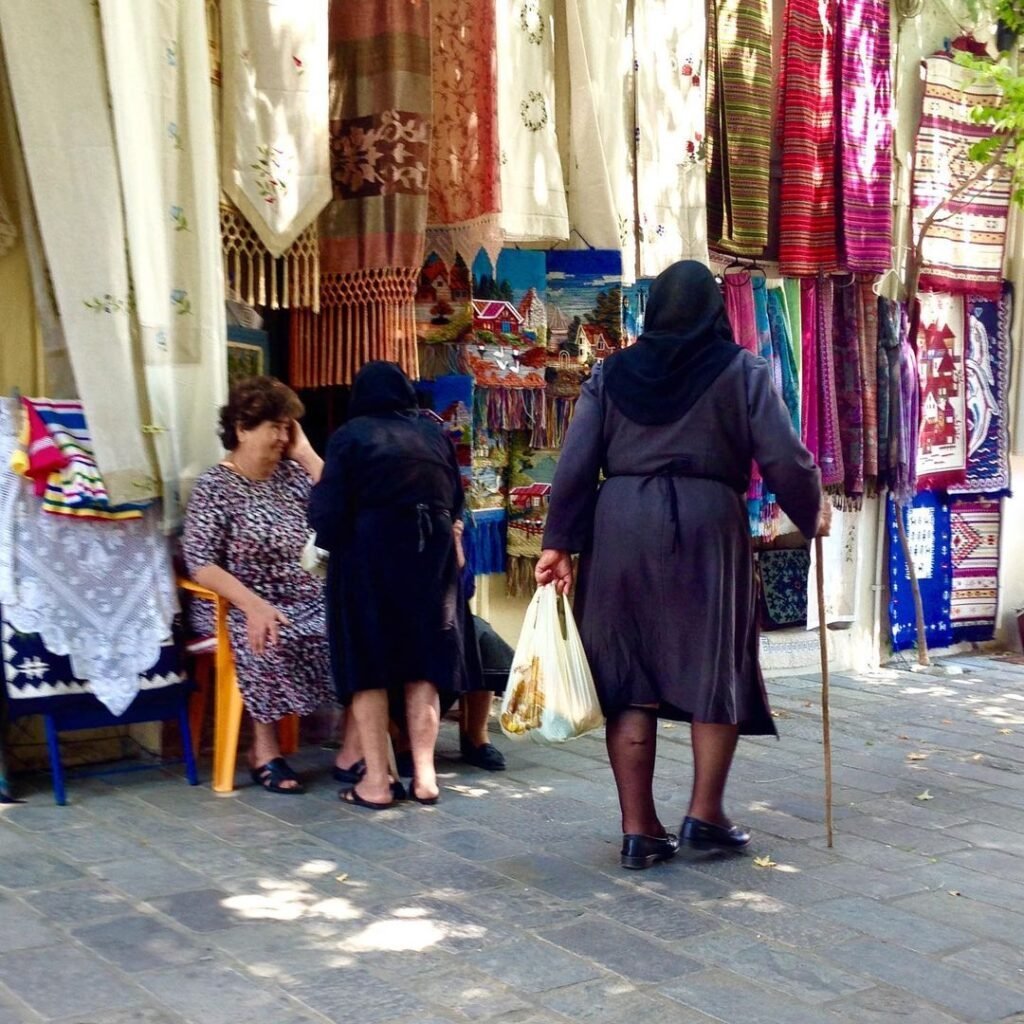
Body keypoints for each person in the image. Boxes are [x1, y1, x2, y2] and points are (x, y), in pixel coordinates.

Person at [536, 260, 829, 870]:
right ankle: (705, 814)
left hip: (621, 524)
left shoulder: (611, 374)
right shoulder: (741, 370)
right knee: (713, 661)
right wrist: (811, 510)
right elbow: (783, 453)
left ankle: (639, 829)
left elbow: (575, 461)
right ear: (714, 311)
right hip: (707, 524)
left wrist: (558, 541)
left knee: (627, 673)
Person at [309, 361, 466, 809]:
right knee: (424, 666)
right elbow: (454, 499)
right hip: (430, 559)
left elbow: (328, 513)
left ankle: (376, 782)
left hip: (368, 557)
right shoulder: (434, 435)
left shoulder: (350, 436)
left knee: (368, 666)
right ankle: (426, 777)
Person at [182, 376, 333, 794]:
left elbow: (340, 500)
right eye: (276, 427)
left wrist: (305, 454)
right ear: (243, 429)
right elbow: (201, 562)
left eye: (289, 428)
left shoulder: (292, 476)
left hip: (303, 593)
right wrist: (252, 604)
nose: (283, 438)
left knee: (353, 627)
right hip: (234, 600)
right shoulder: (216, 486)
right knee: (268, 636)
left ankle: (357, 748)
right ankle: (263, 751)